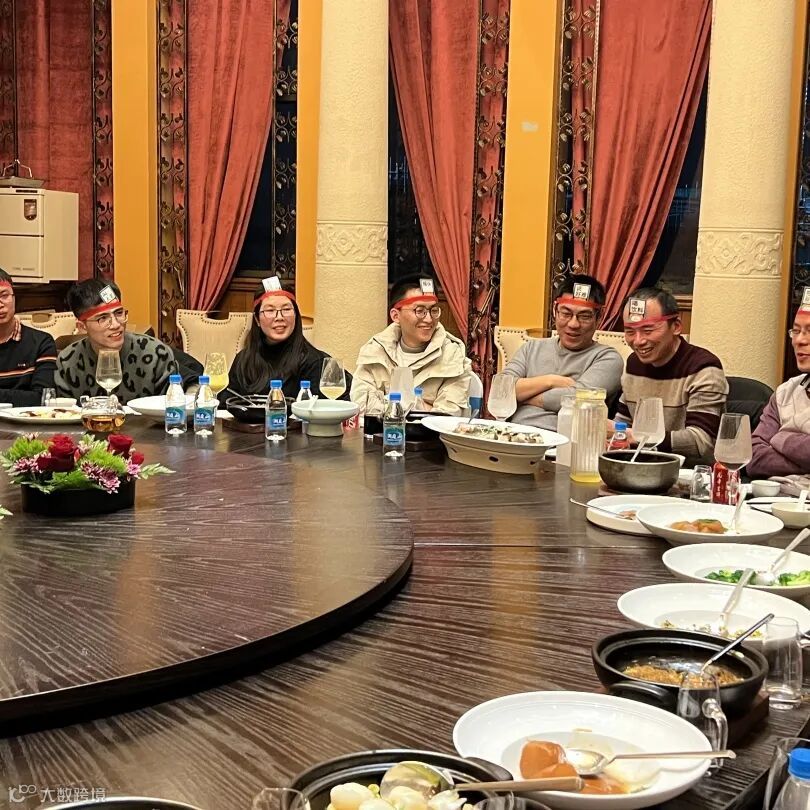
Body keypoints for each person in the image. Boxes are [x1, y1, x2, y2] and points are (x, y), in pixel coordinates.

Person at [614, 287, 728, 465]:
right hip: (642, 466)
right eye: (630, 331)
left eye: (648, 330)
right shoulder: (634, 363)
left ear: (676, 326)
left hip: (690, 471)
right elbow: (623, 423)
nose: (638, 341)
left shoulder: (703, 368)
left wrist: (637, 437)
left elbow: (701, 441)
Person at [503, 274, 622, 429]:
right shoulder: (531, 348)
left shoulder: (607, 358)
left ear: (599, 318)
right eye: (566, 313)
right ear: (555, 310)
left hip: (564, 441)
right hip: (512, 434)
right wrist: (551, 381)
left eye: (584, 316)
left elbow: (579, 400)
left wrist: (521, 396)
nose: (573, 324)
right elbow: (502, 389)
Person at [55, 279, 199, 403]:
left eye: (119, 313)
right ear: (82, 326)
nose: (116, 324)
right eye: (103, 318)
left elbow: (172, 408)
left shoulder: (156, 355)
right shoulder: (68, 361)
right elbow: (65, 414)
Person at [351, 275, 471, 416]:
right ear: (396, 316)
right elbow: (361, 407)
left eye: (433, 310)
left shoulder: (454, 356)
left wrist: (388, 403)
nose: (429, 319)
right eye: (419, 311)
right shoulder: (375, 351)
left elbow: (448, 416)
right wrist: (423, 406)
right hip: (380, 431)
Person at [227, 278, 350, 400]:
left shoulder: (315, 362)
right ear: (257, 319)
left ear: (296, 315)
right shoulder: (243, 360)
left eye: (286, 309)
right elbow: (226, 403)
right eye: (270, 310)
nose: (279, 317)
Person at [748, 291, 810, 477]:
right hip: (774, 493)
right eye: (796, 331)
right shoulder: (785, 392)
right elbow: (754, 459)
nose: (799, 340)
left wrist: (780, 438)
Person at [0, 269, 57, 405]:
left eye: (4, 295)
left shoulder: (42, 343)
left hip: (27, 418)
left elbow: (43, 398)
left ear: (14, 298)